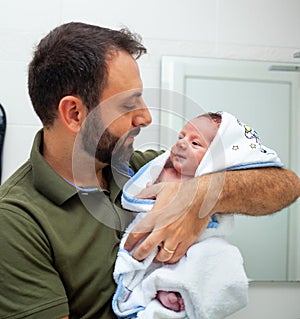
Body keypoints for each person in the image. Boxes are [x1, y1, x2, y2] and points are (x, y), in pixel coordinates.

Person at [0, 22, 299, 319]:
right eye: (129, 104)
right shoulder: (15, 221)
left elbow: (285, 185)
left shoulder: (147, 170)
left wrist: (199, 195)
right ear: (75, 114)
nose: (145, 117)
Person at [112, 111, 283, 319]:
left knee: (220, 255)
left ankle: (176, 290)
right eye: (181, 137)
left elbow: (282, 184)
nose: (182, 144)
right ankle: (158, 288)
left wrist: (200, 198)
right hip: (156, 246)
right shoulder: (162, 169)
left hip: (197, 245)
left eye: (195, 143)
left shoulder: (214, 180)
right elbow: (140, 200)